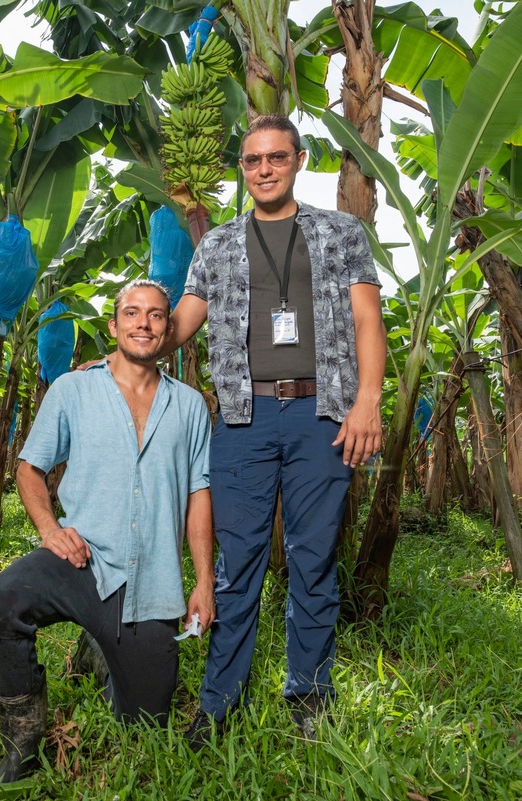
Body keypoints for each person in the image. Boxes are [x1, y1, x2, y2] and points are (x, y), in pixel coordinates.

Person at [169, 114, 386, 744]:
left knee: (314, 561)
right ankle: (218, 703)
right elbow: (182, 322)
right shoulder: (216, 246)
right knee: (239, 565)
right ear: (243, 169)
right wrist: (131, 347)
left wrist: (367, 401)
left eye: (276, 158)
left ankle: (309, 696)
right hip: (244, 417)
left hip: (324, 415)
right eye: (252, 160)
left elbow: (368, 321)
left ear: (298, 160)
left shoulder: (341, 233)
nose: (264, 169)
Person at [0, 280, 215, 784]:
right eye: (131, 313)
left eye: (154, 316)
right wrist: (48, 529)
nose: (142, 324)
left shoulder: (191, 406)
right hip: (79, 560)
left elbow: (198, 496)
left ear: (168, 329)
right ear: (113, 326)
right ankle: (24, 737)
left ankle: (102, 649)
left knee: (144, 722)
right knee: (1, 601)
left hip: (149, 583)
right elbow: (29, 468)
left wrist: (202, 580)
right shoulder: (73, 389)